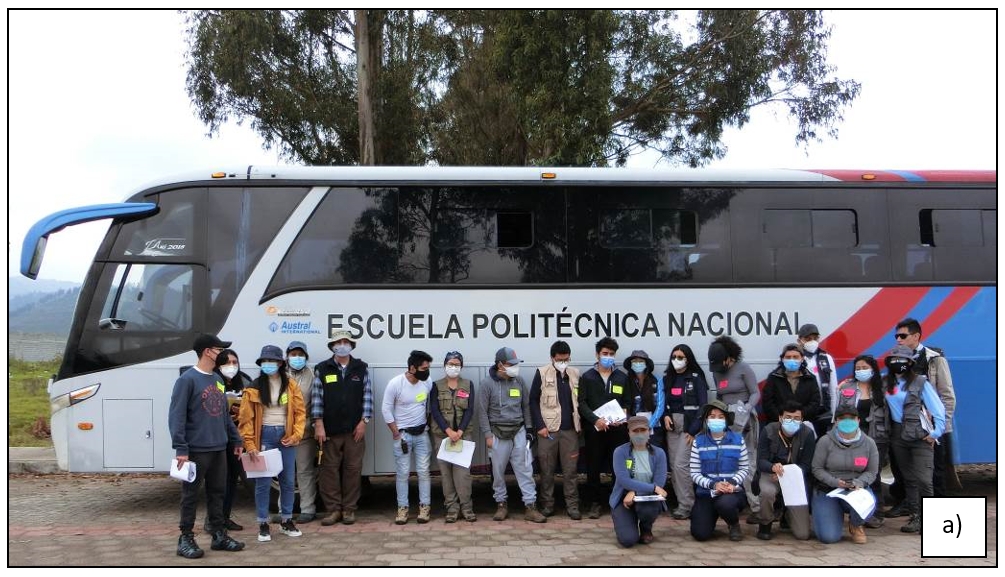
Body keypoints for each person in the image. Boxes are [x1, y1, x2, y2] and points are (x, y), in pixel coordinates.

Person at [170, 333, 246, 558]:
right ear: (207, 352)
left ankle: (219, 534)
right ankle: (185, 538)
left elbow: (223, 414)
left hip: (218, 448)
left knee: (217, 492)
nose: (222, 353)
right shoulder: (187, 380)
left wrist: (236, 439)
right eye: (219, 349)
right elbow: (176, 416)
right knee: (191, 494)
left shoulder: (218, 380)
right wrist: (181, 448)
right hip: (196, 449)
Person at [238, 344, 307, 543]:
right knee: (263, 482)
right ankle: (262, 523)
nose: (269, 364)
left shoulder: (291, 385)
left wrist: (296, 435)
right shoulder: (253, 387)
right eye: (265, 361)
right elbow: (246, 419)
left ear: (281, 363)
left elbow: (300, 413)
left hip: (286, 437)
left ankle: (286, 520)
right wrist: (250, 444)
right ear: (261, 364)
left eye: (273, 361)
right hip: (265, 435)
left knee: (287, 481)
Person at [881, 344, 946, 534]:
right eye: (894, 359)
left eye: (902, 360)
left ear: (910, 363)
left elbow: (937, 408)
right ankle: (916, 517)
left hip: (919, 434)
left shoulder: (920, 382)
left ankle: (930, 519)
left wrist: (936, 432)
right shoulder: (886, 383)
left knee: (924, 479)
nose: (897, 362)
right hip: (898, 435)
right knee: (909, 479)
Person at [478, 346, 547, 523]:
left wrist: (529, 429)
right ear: (500, 364)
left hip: (519, 431)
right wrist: (487, 435)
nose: (515, 368)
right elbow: (482, 412)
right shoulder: (487, 384)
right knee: (498, 471)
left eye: (516, 364)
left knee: (525, 469)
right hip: (497, 432)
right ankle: (501, 504)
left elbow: (525, 406)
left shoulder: (519, 381)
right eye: (511, 364)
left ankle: (530, 506)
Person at [312, 330, 373, 526]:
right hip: (329, 430)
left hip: (354, 430)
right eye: (338, 342)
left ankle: (349, 510)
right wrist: (318, 424)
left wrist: (364, 422)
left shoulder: (361, 368)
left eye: (346, 342)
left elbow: (367, 397)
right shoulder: (323, 368)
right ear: (332, 346)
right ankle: (333, 510)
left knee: (353, 470)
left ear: (351, 346)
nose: (342, 345)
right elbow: (316, 399)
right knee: (328, 470)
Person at [896, 317, 957, 497]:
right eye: (897, 336)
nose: (898, 339)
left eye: (903, 336)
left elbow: (947, 395)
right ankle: (907, 505)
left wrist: (941, 428)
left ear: (916, 336)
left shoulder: (934, 359)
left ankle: (937, 511)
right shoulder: (897, 360)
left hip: (931, 426)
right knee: (903, 469)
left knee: (935, 471)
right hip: (906, 424)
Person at [707, 336, 761, 523]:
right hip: (726, 420)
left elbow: (755, 392)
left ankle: (757, 508)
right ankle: (730, 500)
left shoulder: (743, 368)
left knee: (749, 463)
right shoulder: (717, 371)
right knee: (728, 460)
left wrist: (746, 408)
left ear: (730, 357)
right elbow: (719, 395)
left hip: (745, 419)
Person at [653, 343, 708, 520]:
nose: (677, 360)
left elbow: (703, 406)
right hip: (672, 426)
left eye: (681, 357)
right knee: (675, 468)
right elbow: (664, 402)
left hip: (689, 428)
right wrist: (666, 416)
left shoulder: (696, 378)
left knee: (680, 465)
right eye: (674, 357)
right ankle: (682, 503)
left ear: (688, 359)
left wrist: (693, 431)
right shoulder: (668, 378)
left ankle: (688, 505)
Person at [810, 404, 879, 544]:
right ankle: (832, 513)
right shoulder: (825, 441)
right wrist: (834, 482)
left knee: (869, 505)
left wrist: (859, 482)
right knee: (828, 537)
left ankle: (855, 524)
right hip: (828, 489)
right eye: (842, 418)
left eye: (852, 418)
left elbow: (872, 471)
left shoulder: (869, 443)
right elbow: (816, 469)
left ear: (858, 420)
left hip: (857, 488)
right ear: (836, 421)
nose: (847, 422)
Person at [578, 337, 631, 519]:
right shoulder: (587, 377)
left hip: (618, 430)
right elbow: (582, 403)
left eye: (611, 354)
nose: (608, 357)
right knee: (593, 467)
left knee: (618, 467)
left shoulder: (622, 377)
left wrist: (621, 417)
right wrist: (595, 420)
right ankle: (595, 503)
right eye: (605, 354)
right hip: (595, 431)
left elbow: (627, 402)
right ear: (597, 355)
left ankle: (617, 502)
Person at [530, 340, 582, 520]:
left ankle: (572, 506)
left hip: (570, 431)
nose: (563, 363)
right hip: (548, 431)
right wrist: (540, 426)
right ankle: (547, 505)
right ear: (552, 358)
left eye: (566, 359)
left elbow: (579, 401)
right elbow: (533, 400)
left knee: (571, 471)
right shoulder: (542, 373)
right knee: (546, 470)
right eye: (560, 359)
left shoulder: (574, 374)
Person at [836, 354, 888, 528]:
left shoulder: (882, 387)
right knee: (856, 472)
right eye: (858, 368)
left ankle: (877, 512)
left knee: (874, 473)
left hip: (876, 437)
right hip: (852, 436)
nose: (861, 371)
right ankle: (857, 511)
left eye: (864, 367)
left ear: (873, 369)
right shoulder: (847, 387)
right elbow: (838, 411)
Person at [383, 350, 434, 525]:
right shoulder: (396, 384)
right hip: (403, 435)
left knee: (424, 472)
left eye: (428, 368)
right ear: (412, 368)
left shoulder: (427, 381)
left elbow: (429, 407)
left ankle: (425, 507)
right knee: (403, 473)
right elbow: (386, 409)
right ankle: (403, 509)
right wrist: (396, 433)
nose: (426, 371)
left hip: (422, 434)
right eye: (423, 368)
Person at [689, 400, 750, 542]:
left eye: (721, 417)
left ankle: (733, 524)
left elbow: (744, 467)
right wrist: (713, 485)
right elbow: (695, 473)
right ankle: (710, 517)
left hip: (731, 492)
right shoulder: (698, 441)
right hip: (706, 493)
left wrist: (731, 482)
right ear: (706, 420)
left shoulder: (738, 440)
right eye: (712, 416)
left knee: (726, 504)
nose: (716, 419)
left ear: (727, 420)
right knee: (700, 534)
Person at [754, 400, 815, 541]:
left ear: (802, 420)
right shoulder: (769, 430)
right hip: (771, 474)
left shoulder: (808, 434)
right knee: (767, 492)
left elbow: (806, 465)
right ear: (780, 418)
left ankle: (787, 515)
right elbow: (760, 461)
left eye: (796, 418)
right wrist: (772, 467)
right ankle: (765, 523)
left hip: (795, 477)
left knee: (803, 534)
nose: (792, 421)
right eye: (788, 417)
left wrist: (787, 474)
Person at [429, 351, 477, 523]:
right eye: (450, 363)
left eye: (457, 364)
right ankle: (451, 508)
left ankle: (466, 507)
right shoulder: (436, 385)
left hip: (463, 436)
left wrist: (460, 431)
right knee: (446, 474)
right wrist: (449, 431)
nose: (453, 367)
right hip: (442, 436)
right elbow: (434, 410)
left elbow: (470, 410)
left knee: (463, 473)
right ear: (444, 365)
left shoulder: (468, 384)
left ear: (461, 366)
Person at [610, 415, 669, 547]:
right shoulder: (620, 452)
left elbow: (659, 483)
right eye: (635, 431)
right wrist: (650, 488)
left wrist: (636, 492)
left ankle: (646, 528)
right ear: (629, 433)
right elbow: (623, 480)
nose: (639, 434)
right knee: (628, 540)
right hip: (623, 498)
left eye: (643, 430)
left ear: (649, 431)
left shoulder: (659, 453)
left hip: (648, 499)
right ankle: (626, 522)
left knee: (648, 511)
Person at [212, 348, 253, 533]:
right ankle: (212, 521)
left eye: (234, 362)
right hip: (218, 439)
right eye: (227, 362)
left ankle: (225, 517)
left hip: (237, 440)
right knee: (217, 482)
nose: (231, 366)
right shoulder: (214, 382)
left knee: (231, 481)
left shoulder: (242, 383)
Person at [285, 341, 318, 524]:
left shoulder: (313, 375)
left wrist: (310, 425)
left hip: (304, 432)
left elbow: (316, 404)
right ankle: (285, 511)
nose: (297, 358)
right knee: (284, 473)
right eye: (293, 354)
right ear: (287, 356)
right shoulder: (279, 374)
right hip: (282, 433)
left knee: (305, 471)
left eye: (300, 354)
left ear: (306, 356)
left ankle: (307, 509)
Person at [760, 344, 821, 425]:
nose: (792, 360)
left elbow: (815, 402)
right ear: (782, 359)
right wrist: (781, 418)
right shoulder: (774, 377)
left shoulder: (810, 378)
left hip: (804, 424)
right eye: (788, 357)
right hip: (778, 424)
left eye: (795, 357)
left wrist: (799, 416)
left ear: (802, 359)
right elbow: (767, 402)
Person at [795, 323, 838, 438]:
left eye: (815, 338)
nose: (812, 341)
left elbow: (833, 389)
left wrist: (834, 416)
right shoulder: (796, 358)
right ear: (799, 340)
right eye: (808, 339)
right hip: (803, 410)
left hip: (824, 411)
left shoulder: (826, 358)